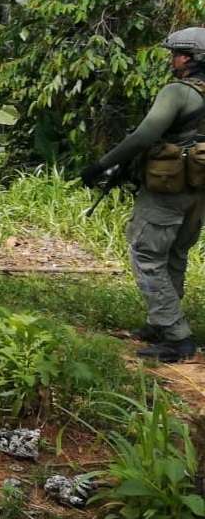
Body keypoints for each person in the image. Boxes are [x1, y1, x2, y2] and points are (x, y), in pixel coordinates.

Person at [80, 27, 205, 363]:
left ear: (192, 59)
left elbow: (144, 135)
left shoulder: (178, 92)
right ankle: (160, 321)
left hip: (168, 188)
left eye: (176, 54)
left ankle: (176, 336)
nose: (172, 60)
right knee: (175, 255)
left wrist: (101, 165)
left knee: (147, 256)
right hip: (198, 192)